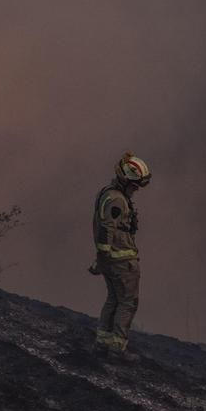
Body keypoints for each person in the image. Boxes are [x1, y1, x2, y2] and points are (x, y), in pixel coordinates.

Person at [90, 151, 150, 361]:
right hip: (121, 262)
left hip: (111, 260)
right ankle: (117, 349)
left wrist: (101, 260)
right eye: (134, 185)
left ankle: (102, 342)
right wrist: (104, 257)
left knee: (113, 299)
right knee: (128, 302)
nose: (136, 190)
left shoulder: (108, 194)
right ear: (125, 180)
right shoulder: (116, 200)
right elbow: (107, 229)